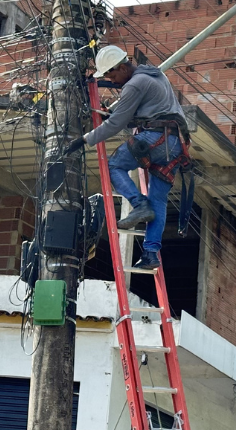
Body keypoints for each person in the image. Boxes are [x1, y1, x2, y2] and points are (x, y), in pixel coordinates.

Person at [64, 45, 188, 270]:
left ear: (122, 67)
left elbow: (115, 124)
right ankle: (151, 253)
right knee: (157, 200)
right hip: (175, 144)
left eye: (112, 74)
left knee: (115, 165)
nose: (112, 81)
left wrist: (84, 140)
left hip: (157, 139)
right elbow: (142, 113)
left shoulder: (135, 84)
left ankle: (138, 204)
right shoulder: (155, 74)